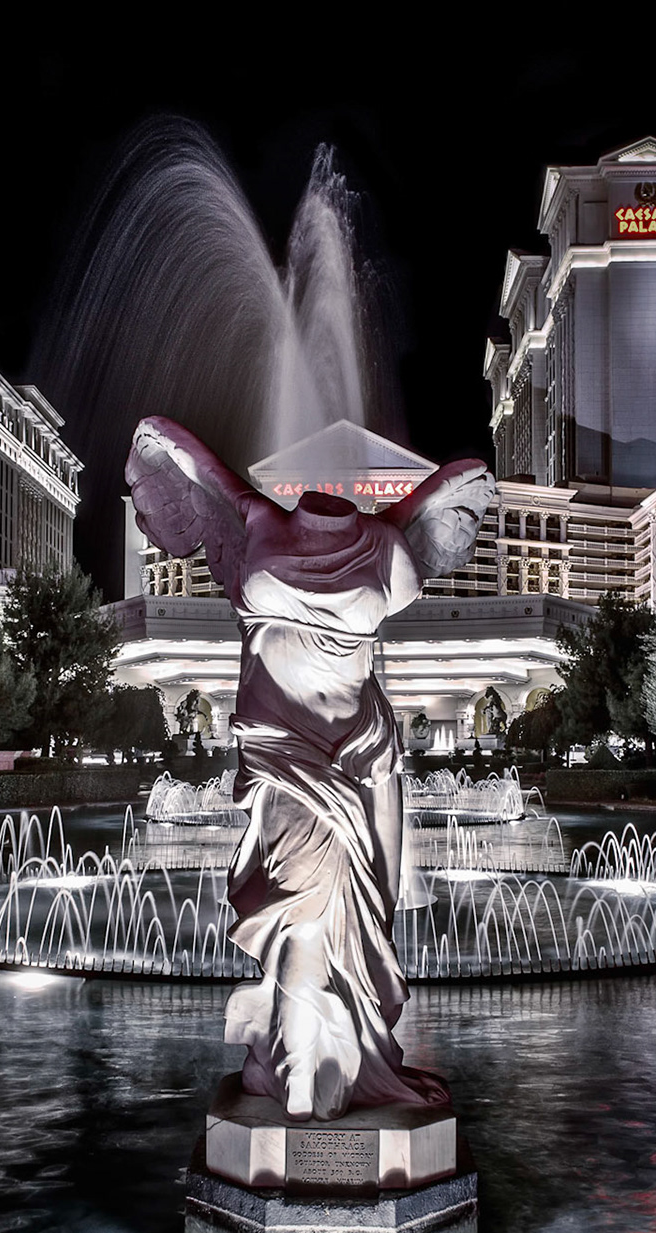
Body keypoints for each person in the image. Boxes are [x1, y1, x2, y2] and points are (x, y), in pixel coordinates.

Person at [127, 415, 493, 1120]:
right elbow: (194, 465)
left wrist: (446, 482)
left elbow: (447, 495)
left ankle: (330, 1063)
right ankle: (297, 1072)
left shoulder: (385, 542)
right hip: (281, 753)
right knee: (303, 909)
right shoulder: (258, 517)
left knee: (349, 917)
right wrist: (163, 438)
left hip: (354, 756)